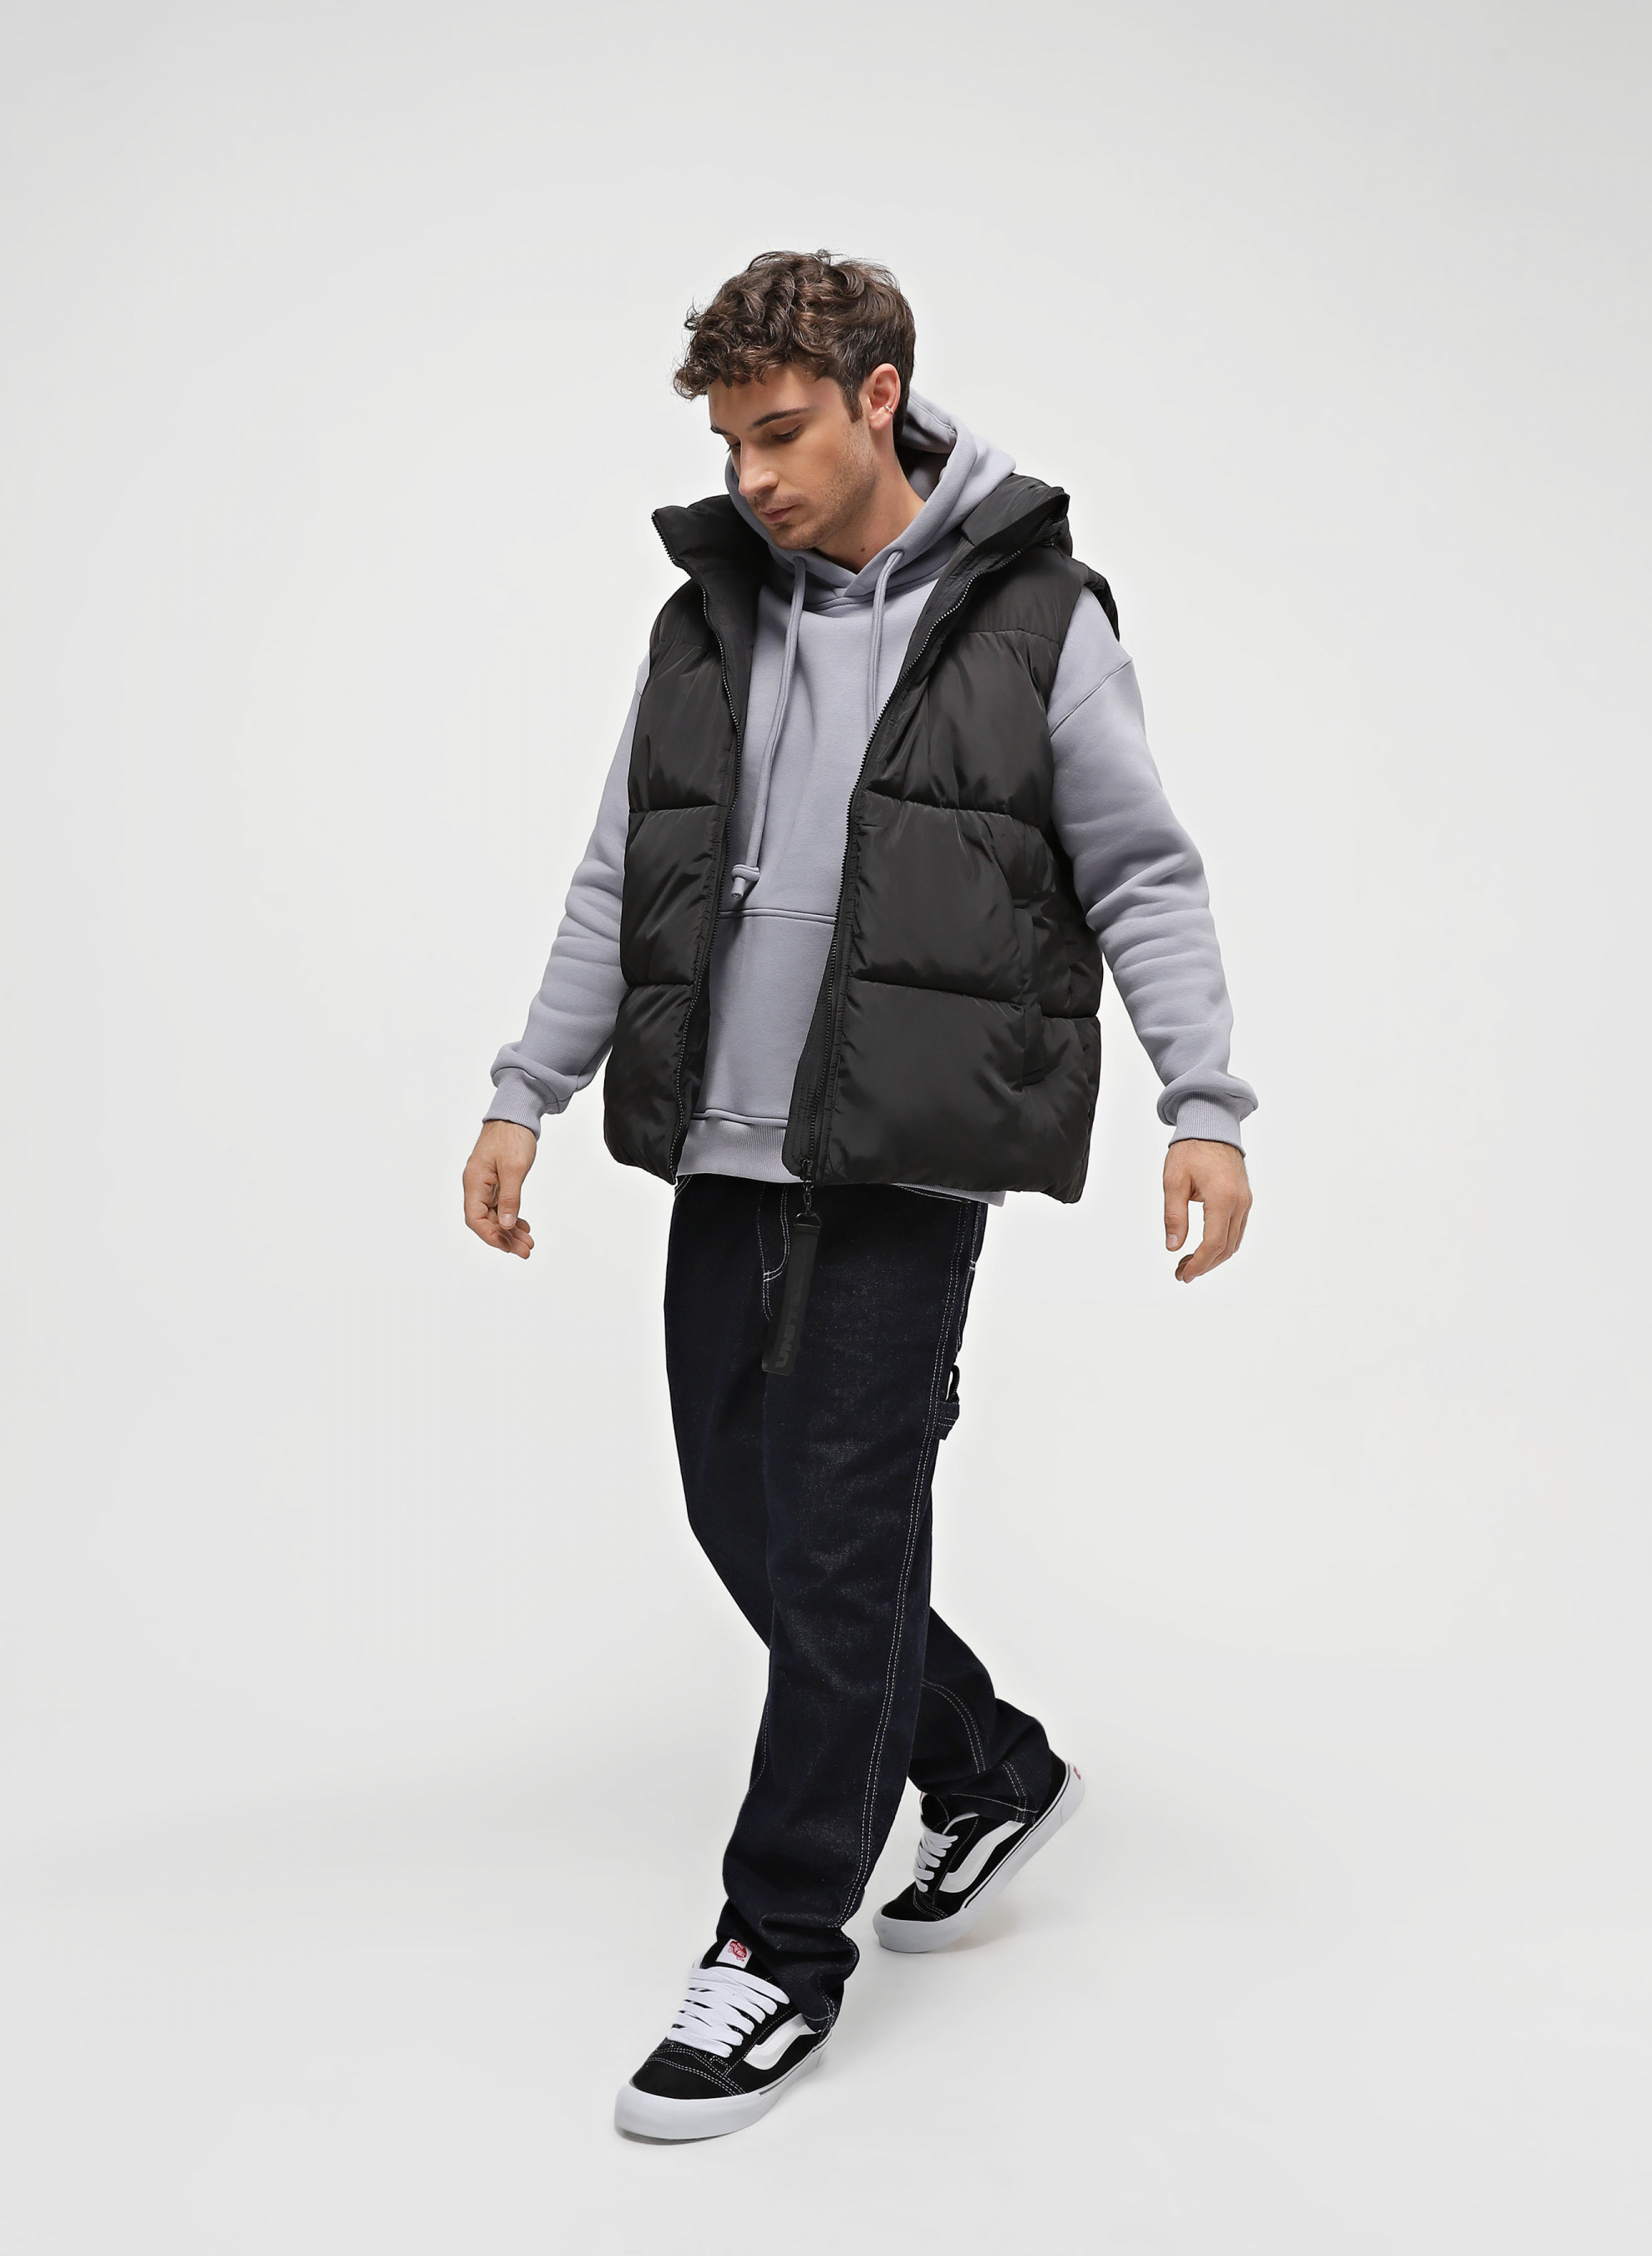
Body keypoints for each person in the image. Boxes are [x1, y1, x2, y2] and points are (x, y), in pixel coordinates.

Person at [461, 251, 1256, 2142]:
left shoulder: (1035, 617)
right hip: (720, 1137)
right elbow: (617, 871)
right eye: (729, 443)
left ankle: (778, 1945)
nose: (752, 476)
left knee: (836, 1537)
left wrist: (1203, 1105)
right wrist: (524, 1090)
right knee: (738, 1510)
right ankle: (988, 1765)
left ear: (879, 398)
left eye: (783, 432)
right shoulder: (706, 621)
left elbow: (1139, 868)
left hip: (902, 1149)